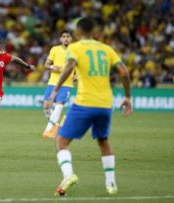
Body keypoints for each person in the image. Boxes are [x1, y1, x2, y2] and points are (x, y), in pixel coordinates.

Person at [46, 17, 133, 196]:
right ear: (95, 32)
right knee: (103, 140)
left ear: (77, 33)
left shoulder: (75, 48)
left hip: (85, 103)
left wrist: (55, 91)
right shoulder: (107, 49)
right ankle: (111, 183)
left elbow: (69, 66)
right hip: (105, 104)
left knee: (61, 141)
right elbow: (124, 71)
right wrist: (127, 97)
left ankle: (68, 175)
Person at [42, 30, 75, 138]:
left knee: (59, 106)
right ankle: (56, 126)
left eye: (68, 36)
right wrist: (52, 67)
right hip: (53, 82)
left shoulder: (75, 51)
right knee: (46, 106)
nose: (66, 38)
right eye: (64, 36)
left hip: (66, 83)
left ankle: (48, 131)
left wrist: (77, 76)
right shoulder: (55, 49)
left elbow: (80, 67)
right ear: (60, 39)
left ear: (71, 38)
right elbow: (46, 64)